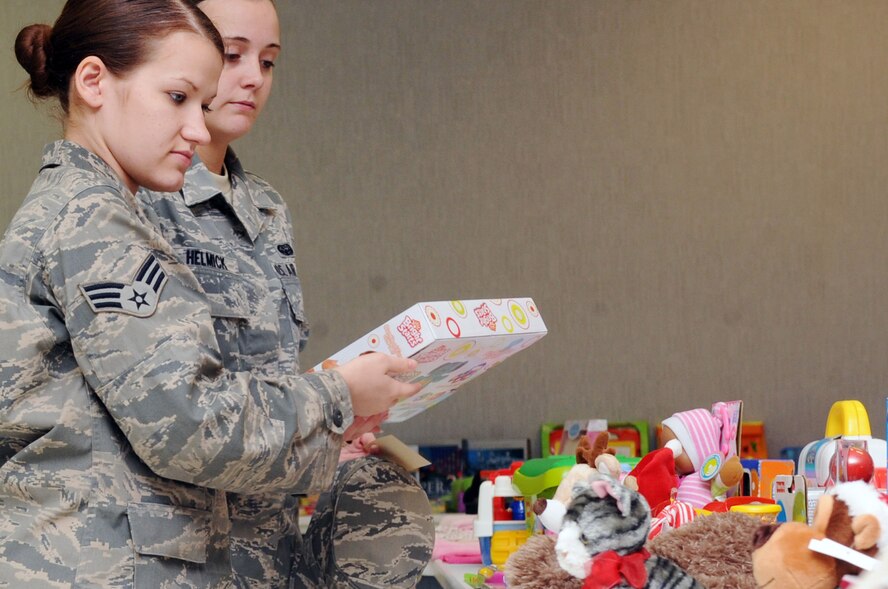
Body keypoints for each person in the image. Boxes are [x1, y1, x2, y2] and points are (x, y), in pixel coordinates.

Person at [0, 0, 419, 587]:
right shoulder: (95, 219)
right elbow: (188, 424)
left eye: (202, 103)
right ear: (93, 81)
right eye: (178, 98)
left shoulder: (96, 208)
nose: (197, 128)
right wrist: (336, 398)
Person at [137, 1, 435, 587]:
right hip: (184, 555)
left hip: (271, 547)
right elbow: (174, 412)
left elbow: (271, 377)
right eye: (232, 54)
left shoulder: (267, 207)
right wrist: (327, 408)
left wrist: (331, 435)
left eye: (268, 62)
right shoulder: (139, 200)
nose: (253, 77)